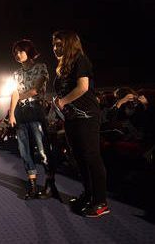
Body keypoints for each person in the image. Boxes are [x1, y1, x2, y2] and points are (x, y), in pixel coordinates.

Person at [52, 30, 109, 217]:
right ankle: (89, 194)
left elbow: (83, 87)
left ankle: (100, 202)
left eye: (59, 44)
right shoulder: (62, 66)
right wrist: (57, 101)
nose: (55, 48)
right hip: (71, 118)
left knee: (91, 157)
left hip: (87, 117)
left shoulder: (80, 60)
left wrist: (63, 101)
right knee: (78, 159)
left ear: (69, 44)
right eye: (54, 44)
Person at [8, 39, 57, 200]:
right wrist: (11, 114)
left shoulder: (40, 67)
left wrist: (18, 97)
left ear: (29, 51)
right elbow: (13, 93)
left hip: (35, 109)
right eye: (15, 52)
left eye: (20, 51)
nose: (17, 55)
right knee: (24, 150)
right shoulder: (16, 73)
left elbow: (35, 90)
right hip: (20, 111)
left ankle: (50, 183)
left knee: (42, 149)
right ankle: (33, 185)